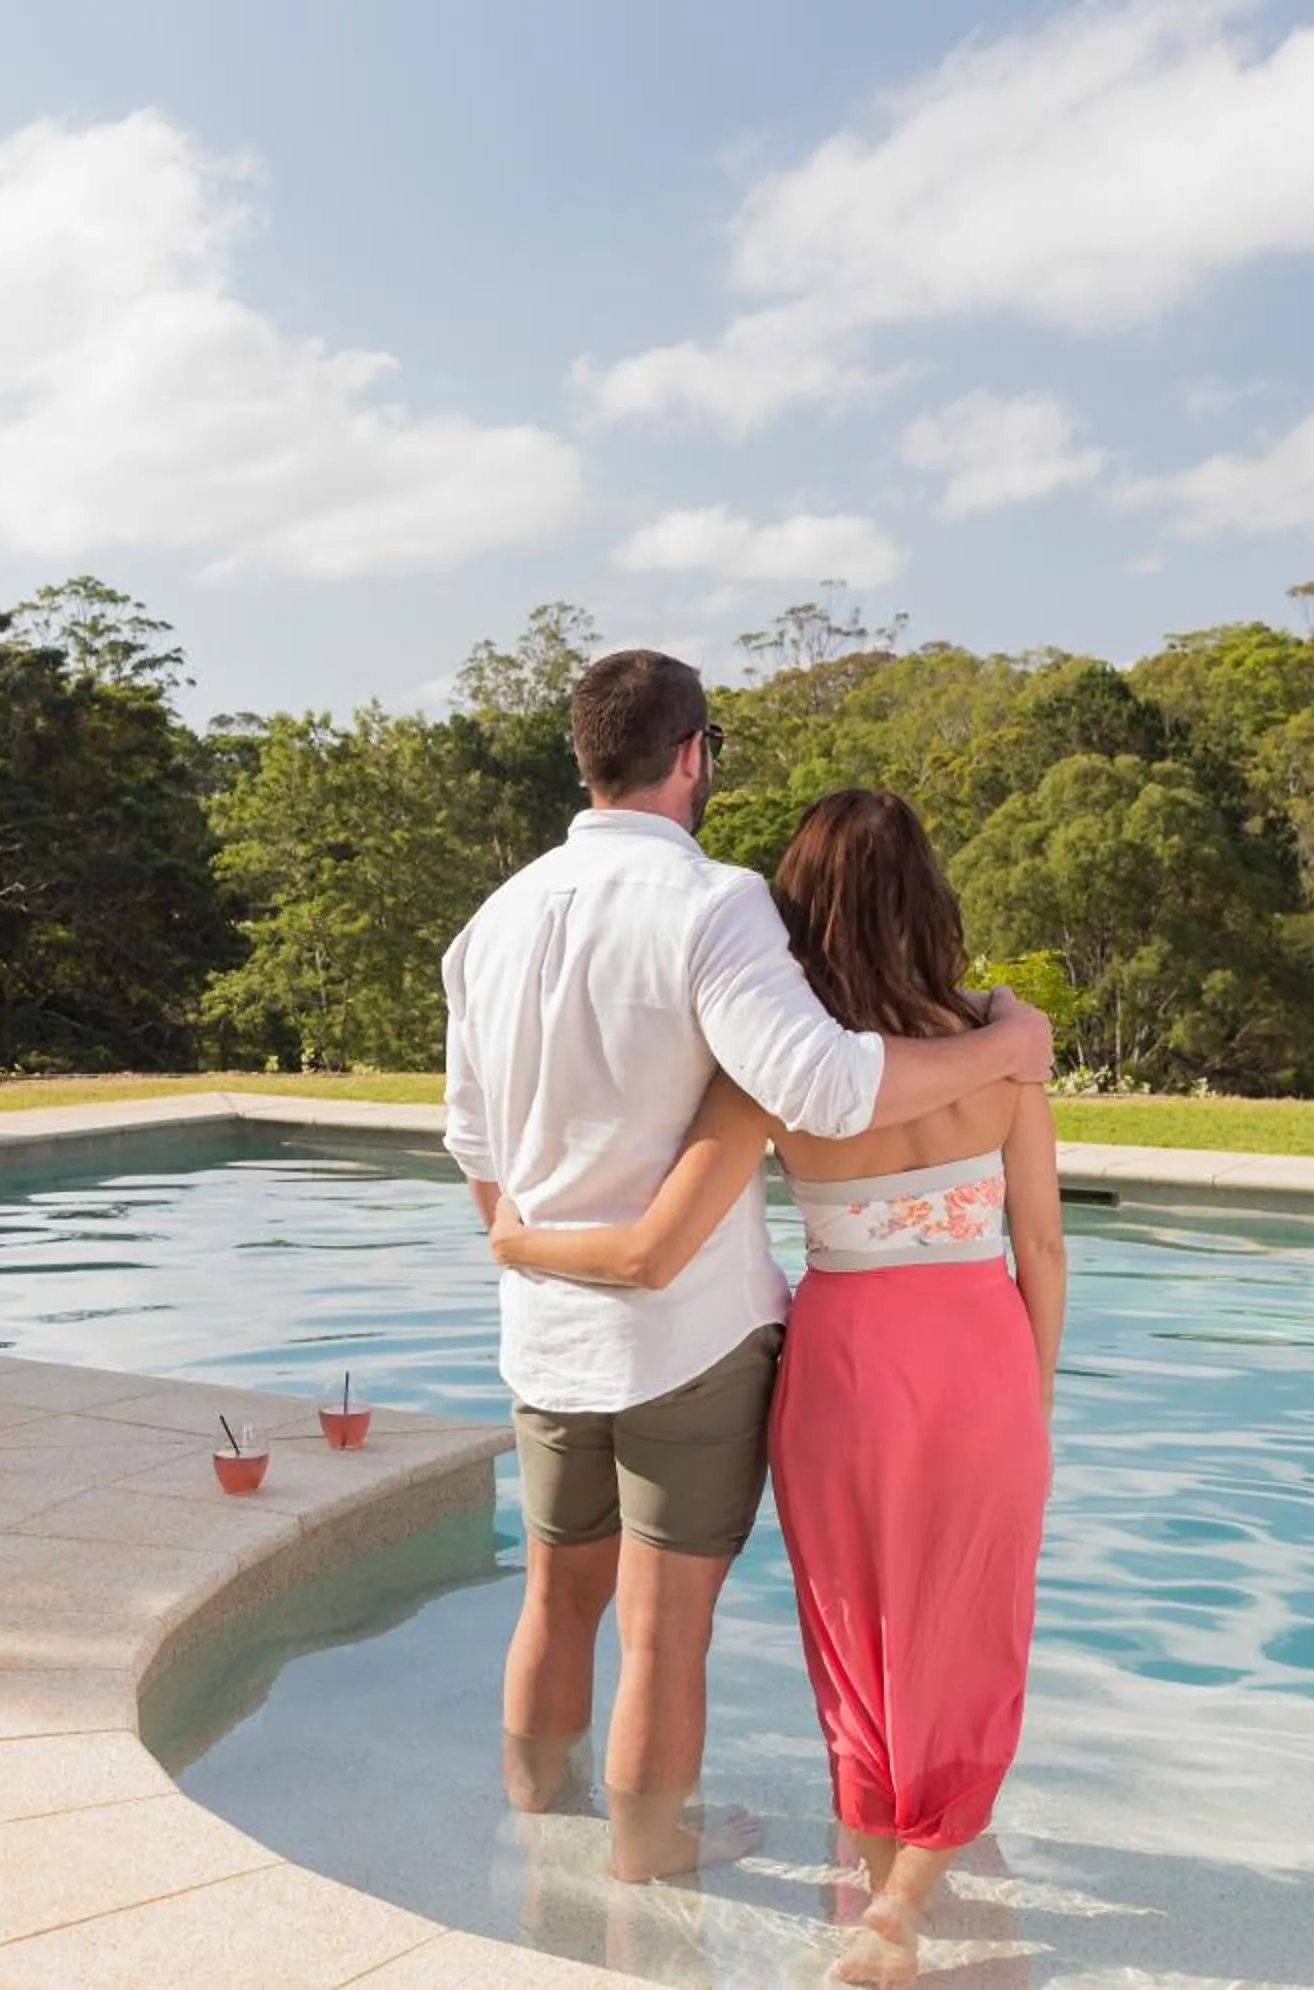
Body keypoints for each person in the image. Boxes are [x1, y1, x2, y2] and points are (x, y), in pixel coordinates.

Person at [442, 652, 1053, 1887]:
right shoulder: (715, 903)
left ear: (583, 756)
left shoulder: (491, 921)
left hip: (548, 1327)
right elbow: (826, 1080)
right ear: (693, 755)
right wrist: (1010, 1046)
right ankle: (648, 1854)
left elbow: (473, 1144)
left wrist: (524, 1247)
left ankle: (532, 1814)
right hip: (686, 1337)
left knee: (557, 1598)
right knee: (666, 1631)